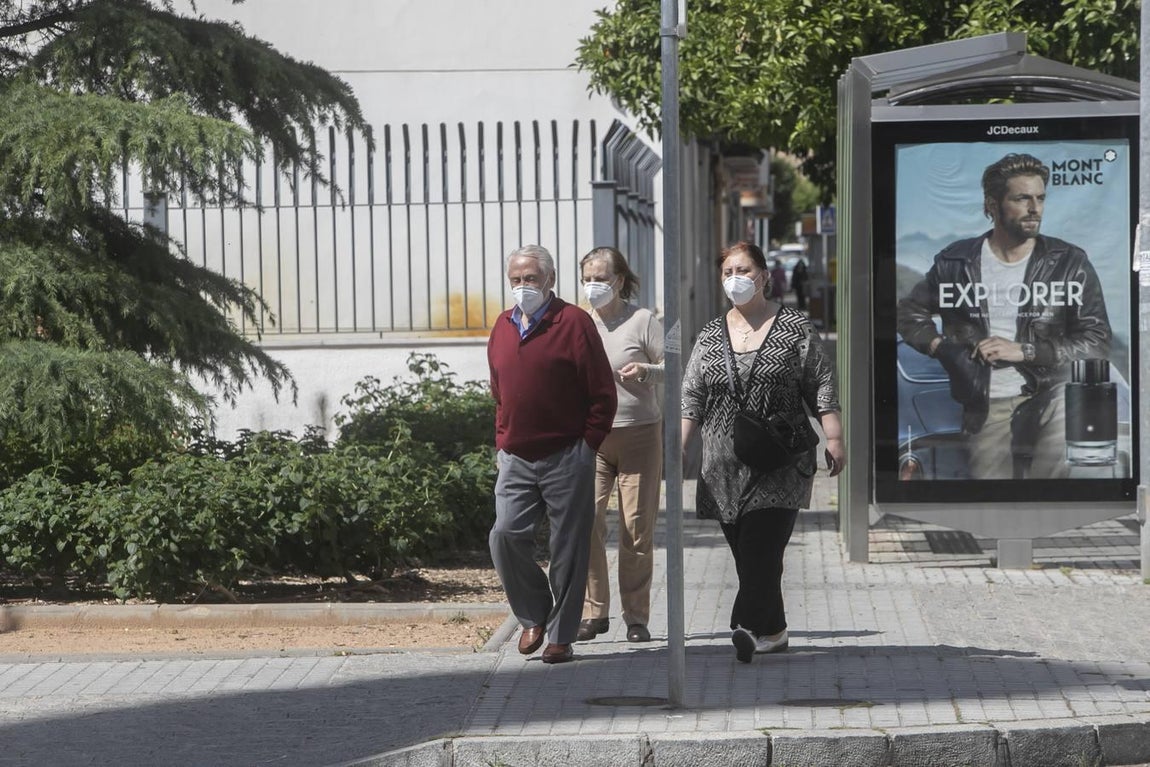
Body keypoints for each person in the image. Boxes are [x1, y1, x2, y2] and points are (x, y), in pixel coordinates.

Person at [896, 153, 1111, 480]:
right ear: (993, 204)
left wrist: (1026, 351)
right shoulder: (955, 262)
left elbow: (1096, 341)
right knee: (993, 500)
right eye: (1022, 198)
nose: (1034, 208)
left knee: (1053, 481)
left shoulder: (1069, 262)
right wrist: (944, 349)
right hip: (988, 402)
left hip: (1053, 392)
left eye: (1040, 198)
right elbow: (910, 314)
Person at [681, 240, 845, 664]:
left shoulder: (794, 327)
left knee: (761, 547)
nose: (736, 279)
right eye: (728, 272)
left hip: (780, 461)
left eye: (744, 270)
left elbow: (821, 382)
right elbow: (691, 394)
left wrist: (834, 437)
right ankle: (773, 630)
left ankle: (745, 625)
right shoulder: (710, 335)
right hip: (722, 466)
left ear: (765, 276)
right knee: (748, 554)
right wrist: (679, 445)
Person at [487, 244, 618, 664]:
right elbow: (499, 391)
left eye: (530, 279)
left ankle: (561, 635)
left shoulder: (574, 323)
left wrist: (588, 444)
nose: (522, 287)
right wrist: (502, 441)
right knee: (504, 535)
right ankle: (533, 614)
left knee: (569, 546)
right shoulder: (503, 325)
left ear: (550, 280)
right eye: (515, 280)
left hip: (567, 453)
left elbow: (602, 391)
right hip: (517, 456)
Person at [574, 246, 664, 645]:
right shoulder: (577, 323)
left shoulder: (645, 320)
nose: (594, 286)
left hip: (639, 434)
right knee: (586, 522)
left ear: (621, 281)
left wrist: (648, 370)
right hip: (592, 438)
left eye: (601, 279)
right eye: (588, 279)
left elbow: (675, 364)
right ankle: (595, 612)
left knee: (636, 529)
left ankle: (637, 617)